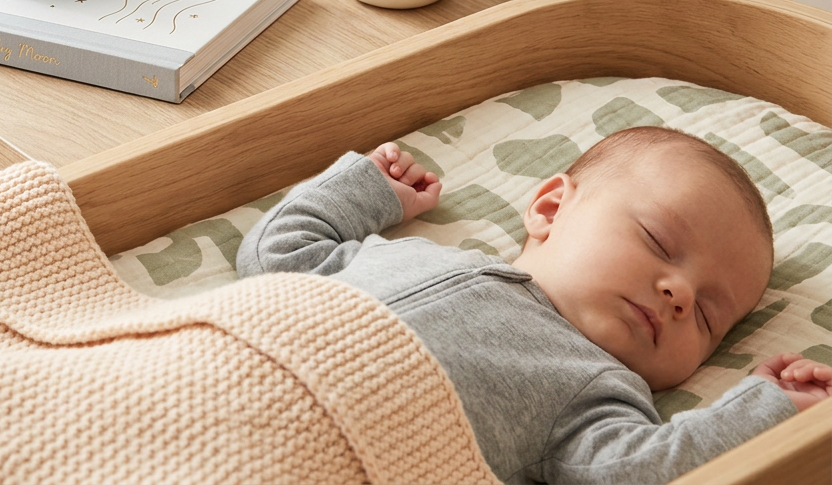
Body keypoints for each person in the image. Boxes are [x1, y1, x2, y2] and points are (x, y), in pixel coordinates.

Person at [236, 125, 831, 484]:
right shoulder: (416, 256)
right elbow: (275, 256)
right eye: (657, 243)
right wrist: (367, 190)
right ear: (549, 210)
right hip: (213, 381)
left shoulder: (596, 393)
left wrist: (765, 409)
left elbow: (639, 473)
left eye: (707, 317)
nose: (679, 295)